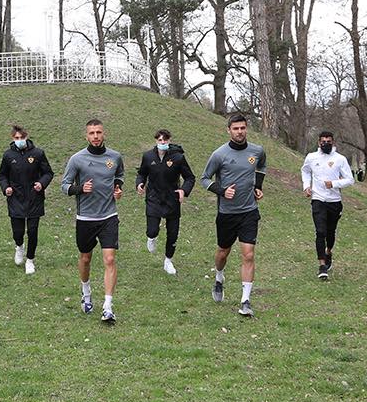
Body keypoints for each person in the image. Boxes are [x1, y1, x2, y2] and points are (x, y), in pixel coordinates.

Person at [201, 113, 267, 317]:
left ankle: (245, 301)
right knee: (223, 253)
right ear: (228, 130)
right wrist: (221, 191)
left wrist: (258, 186)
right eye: (236, 128)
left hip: (249, 211)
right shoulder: (219, 154)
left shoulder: (257, 150)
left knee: (248, 254)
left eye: (243, 128)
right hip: (227, 213)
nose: (240, 132)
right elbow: (204, 179)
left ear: (247, 129)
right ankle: (219, 278)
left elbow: (261, 166)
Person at [60, 119, 124, 323]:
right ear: (86, 135)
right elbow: (64, 185)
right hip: (86, 217)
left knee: (110, 259)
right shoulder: (77, 159)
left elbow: (119, 175)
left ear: (104, 133)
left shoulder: (114, 156)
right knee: (85, 258)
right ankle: (86, 293)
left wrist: (118, 187)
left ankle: (108, 306)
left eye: (98, 132)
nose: (95, 136)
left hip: (109, 216)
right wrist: (80, 189)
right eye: (91, 133)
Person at [135, 129, 195, 275]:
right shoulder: (148, 156)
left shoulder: (178, 157)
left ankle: (168, 261)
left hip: (172, 199)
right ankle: (152, 238)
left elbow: (190, 178)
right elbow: (142, 173)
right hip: (153, 198)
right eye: (160, 140)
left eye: (165, 140)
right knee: (152, 230)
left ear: (169, 140)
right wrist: (140, 183)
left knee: (173, 234)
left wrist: (183, 191)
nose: (162, 143)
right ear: (156, 141)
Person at [0, 125, 54, 275]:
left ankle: (30, 260)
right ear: (12, 139)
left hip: (34, 198)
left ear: (26, 137)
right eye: (16, 138)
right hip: (15, 198)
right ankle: (19, 246)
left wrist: (41, 184)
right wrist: (6, 188)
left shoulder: (38, 153)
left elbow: (48, 173)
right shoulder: (8, 156)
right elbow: (2, 175)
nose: (19, 140)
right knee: (18, 231)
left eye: (22, 138)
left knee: (33, 231)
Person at [301, 131, 354, 280]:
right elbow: (305, 171)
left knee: (330, 232)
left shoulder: (340, 159)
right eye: (323, 141)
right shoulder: (311, 157)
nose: (326, 144)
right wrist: (306, 186)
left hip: (334, 201)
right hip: (318, 199)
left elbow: (350, 180)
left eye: (328, 141)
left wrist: (334, 184)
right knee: (320, 231)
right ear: (319, 143)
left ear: (333, 142)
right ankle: (322, 266)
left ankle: (328, 251)